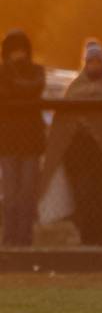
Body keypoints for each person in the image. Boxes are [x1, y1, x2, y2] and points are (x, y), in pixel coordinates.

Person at [41, 41, 102, 246]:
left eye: (99, 61)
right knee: (83, 195)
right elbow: (63, 120)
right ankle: (87, 238)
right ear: (85, 63)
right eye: (91, 61)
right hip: (80, 152)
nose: (95, 65)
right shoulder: (75, 87)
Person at [0, 30, 46, 246]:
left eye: (21, 49)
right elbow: (4, 93)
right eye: (13, 50)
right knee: (10, 195)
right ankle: (9, 238)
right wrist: (11, 73)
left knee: (27, 194)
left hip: (32, 141)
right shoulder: (2, 72)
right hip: (7, 141)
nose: (18, 54)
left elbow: (33, 88)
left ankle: (25, 238)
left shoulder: (37, 70)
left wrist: (14, 76)